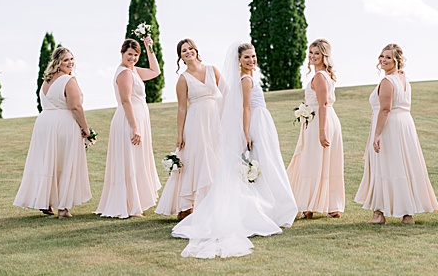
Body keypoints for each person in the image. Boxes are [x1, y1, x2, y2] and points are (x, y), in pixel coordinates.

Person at [172, 42, 296, 258]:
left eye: (253, 56)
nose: (251, 60)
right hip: (247, 123)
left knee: (263, 165)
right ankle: (265, 209)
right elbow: (245, 107)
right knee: (262, 165)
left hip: (254, 121)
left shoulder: (227, 74)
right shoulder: (245, 80)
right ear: (239, 60)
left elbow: (231, 100)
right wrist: (246, 132)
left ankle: (270, 206)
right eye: (247, 57)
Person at [353, 44, 438, 224]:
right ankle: (407, 214)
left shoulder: (387, 81)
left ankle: (378, 214)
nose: (383, 60)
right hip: (405, 125)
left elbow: (385, 109)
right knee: (403, 165)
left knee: (384, 165)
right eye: (382, 56)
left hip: (389, 127)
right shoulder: (403, 80)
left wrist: (377, 135)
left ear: (397, 61)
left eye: (388, 57)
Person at [13, 47, 92, 218]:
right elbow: (75, 107)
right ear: (57, 62)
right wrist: (85, 128)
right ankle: (63, 208)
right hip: (62, 124)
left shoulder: (47, 81)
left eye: (72, 59)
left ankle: (46, 202)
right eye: (66, 60)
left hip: (44, 123)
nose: (70, 63)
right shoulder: (69, 80)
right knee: (64, 164)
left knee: (47, 162)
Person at [95, 36, 161, 218]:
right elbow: (126, 100)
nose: (132, 58)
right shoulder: (124, 72)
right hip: (128, 121)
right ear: (122, 53)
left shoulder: (134, 71)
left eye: (135, 55)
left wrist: (149, 47)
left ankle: (134, 202)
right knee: (130, 160)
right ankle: (129, 205)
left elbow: (155, 71)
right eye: (129, 54)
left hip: (138, 119)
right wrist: (135, 127)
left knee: (137, 160)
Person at [156, 38, 222, 220]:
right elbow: (182, 108)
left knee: (215, 156)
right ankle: (187, 205)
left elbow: (228, 92)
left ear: (196, 50)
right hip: (195, 123)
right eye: (184, 51)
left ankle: (215, 201)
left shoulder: (212, 70)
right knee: (197, 159)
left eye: (190, 48)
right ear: (181, 57)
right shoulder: (183, 79)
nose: (188, 52)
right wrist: (179, 134)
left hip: (214, 120)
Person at [286, 38, 345, 219]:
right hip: (324, 119)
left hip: (321, 121)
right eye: (311, 52)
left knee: (311, 160)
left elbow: (323, 104)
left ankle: (309, 205)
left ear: (324, 55)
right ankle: (328, 205)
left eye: (317, 53)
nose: (312, 56)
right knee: (325, 161)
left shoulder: (320, 76)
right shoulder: (324, 75)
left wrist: (321, 130)